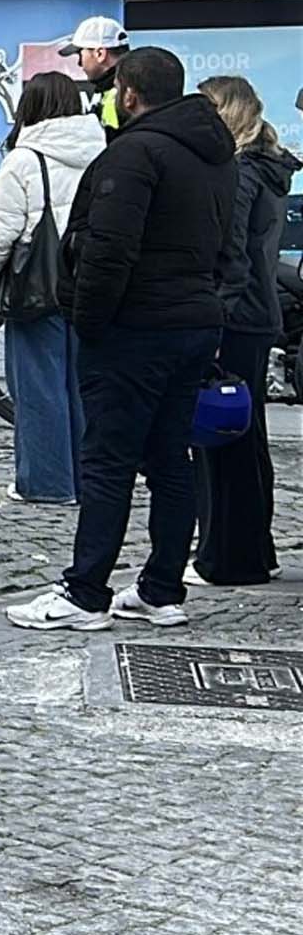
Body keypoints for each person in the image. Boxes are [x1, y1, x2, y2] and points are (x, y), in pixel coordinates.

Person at [9, 47, 236, 633]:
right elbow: (225, 246)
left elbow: (108, 250)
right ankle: (162, 590)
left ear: (128, 94)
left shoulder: (134, 154)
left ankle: (86, 593)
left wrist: (89, 322)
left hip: (135, 328)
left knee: (107, 461)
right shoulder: (215, 154)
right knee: (169, 459)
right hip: (192, 322)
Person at [0, 73, 102, 503]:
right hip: (92, 281)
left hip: (39, 288)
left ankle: (46, 483)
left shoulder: (25, 160)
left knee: (39, 387)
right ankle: (88, 480)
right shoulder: (102, 150)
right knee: (84, 386)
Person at [195, 74, 290, 583]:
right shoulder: (269, 166)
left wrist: (213, 313)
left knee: (222, 435)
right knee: (246, 436)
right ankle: (253, 549)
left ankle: (227, 557)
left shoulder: (242, 171)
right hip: (256, 312)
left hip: (236, 315)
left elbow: (230, 251)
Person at [58, 15, 130, 131]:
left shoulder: (126, 93)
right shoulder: (128, 87)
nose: (79, 63)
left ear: (100, 53)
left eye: (80, 54)